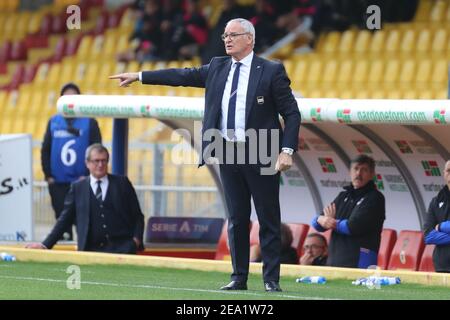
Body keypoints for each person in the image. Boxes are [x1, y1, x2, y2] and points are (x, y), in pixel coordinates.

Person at [109, 18, 301, 292]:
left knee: (268, 218)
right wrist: (140, 76)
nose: (227, 39)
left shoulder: (270, 70)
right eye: (225, 35)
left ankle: (271, 280)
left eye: (233, 35)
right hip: (228, 151)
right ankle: (239, 277)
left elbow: (292, 113)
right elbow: (182, 76)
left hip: (262, 151)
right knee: (236, 218)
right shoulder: (217, 67)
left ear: (250, 39)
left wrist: (286, 150)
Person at [28, 144, 145, 254]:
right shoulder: (78, 188)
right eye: (96, 161)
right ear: (87, 163)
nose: (100, 165)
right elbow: (64, 220)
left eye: (104, 160)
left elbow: (137, 216)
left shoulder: (122, 183)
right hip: (90, 250)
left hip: (123, 249)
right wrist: (45, 245)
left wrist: (135, 241)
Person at [41, 82, 102, 241]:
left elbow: (98, 149)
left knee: (83, 222)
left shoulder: (90, 122)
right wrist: (49, 176)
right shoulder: (53, 122)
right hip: (58, 184)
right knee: (62, 225)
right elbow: (45, 149)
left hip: (82, 183)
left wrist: (89, 176)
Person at [311, 154, 385, 268]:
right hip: (335, 259)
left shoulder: (375, 198)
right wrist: (320, 219)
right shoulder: (343, 196)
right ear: (350, 172)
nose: (358, 173)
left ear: (372, 174)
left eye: (364, 170)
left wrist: (331, 222)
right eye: (355, 169)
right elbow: (318, 224)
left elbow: (353, 227)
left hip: (361, 261)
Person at [423, 160, 450, 273]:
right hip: (441, 265)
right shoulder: (436, 201)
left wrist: (440, 227)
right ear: (444, 173)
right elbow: (428, 236)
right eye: (448, 171)